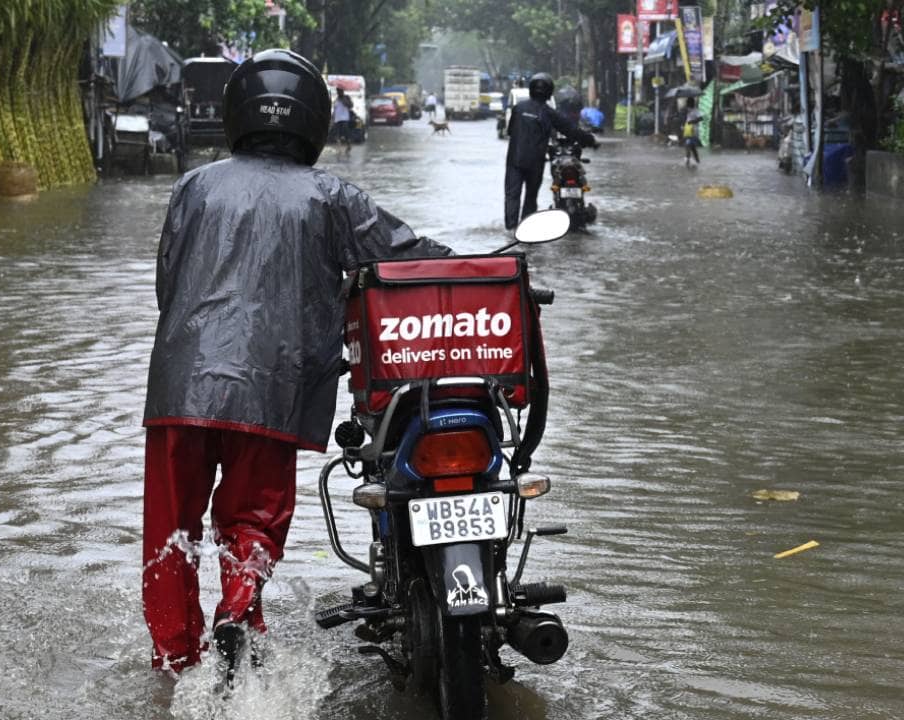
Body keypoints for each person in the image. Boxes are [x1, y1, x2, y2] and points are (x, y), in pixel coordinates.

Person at [142, 48, 451, 676]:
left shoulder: (193, 186)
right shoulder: (331, 196)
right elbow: (409, 259)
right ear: (314, 119)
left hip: (180, 390)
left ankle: (176, 663)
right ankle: (238, 608)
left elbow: (166, 284)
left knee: (170, 532)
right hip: (274, 389)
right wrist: (489, 267)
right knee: (254, 517)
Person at [504, 72, 597, 231]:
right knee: (530, 197)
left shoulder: (518, 109)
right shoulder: (548, 112)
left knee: (512, 196)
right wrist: (590, 140)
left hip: (515, 161)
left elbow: (510, 131)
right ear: (549, 92)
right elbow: (571, 130)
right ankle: (525, 230)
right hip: (535, 162)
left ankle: (511, 230)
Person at [333, 87, 354, 152]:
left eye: (339, 91)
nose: (338, 92)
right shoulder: (336, 99)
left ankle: (349, 145)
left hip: (345, 119)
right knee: (337, 134)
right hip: (337, 119)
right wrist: (332, 118)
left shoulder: (346, 97)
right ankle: (339, 149)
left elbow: (351, 106)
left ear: (342, 91)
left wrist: (344, 100)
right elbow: (335, 109)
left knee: (346, 133)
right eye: (337, 91)